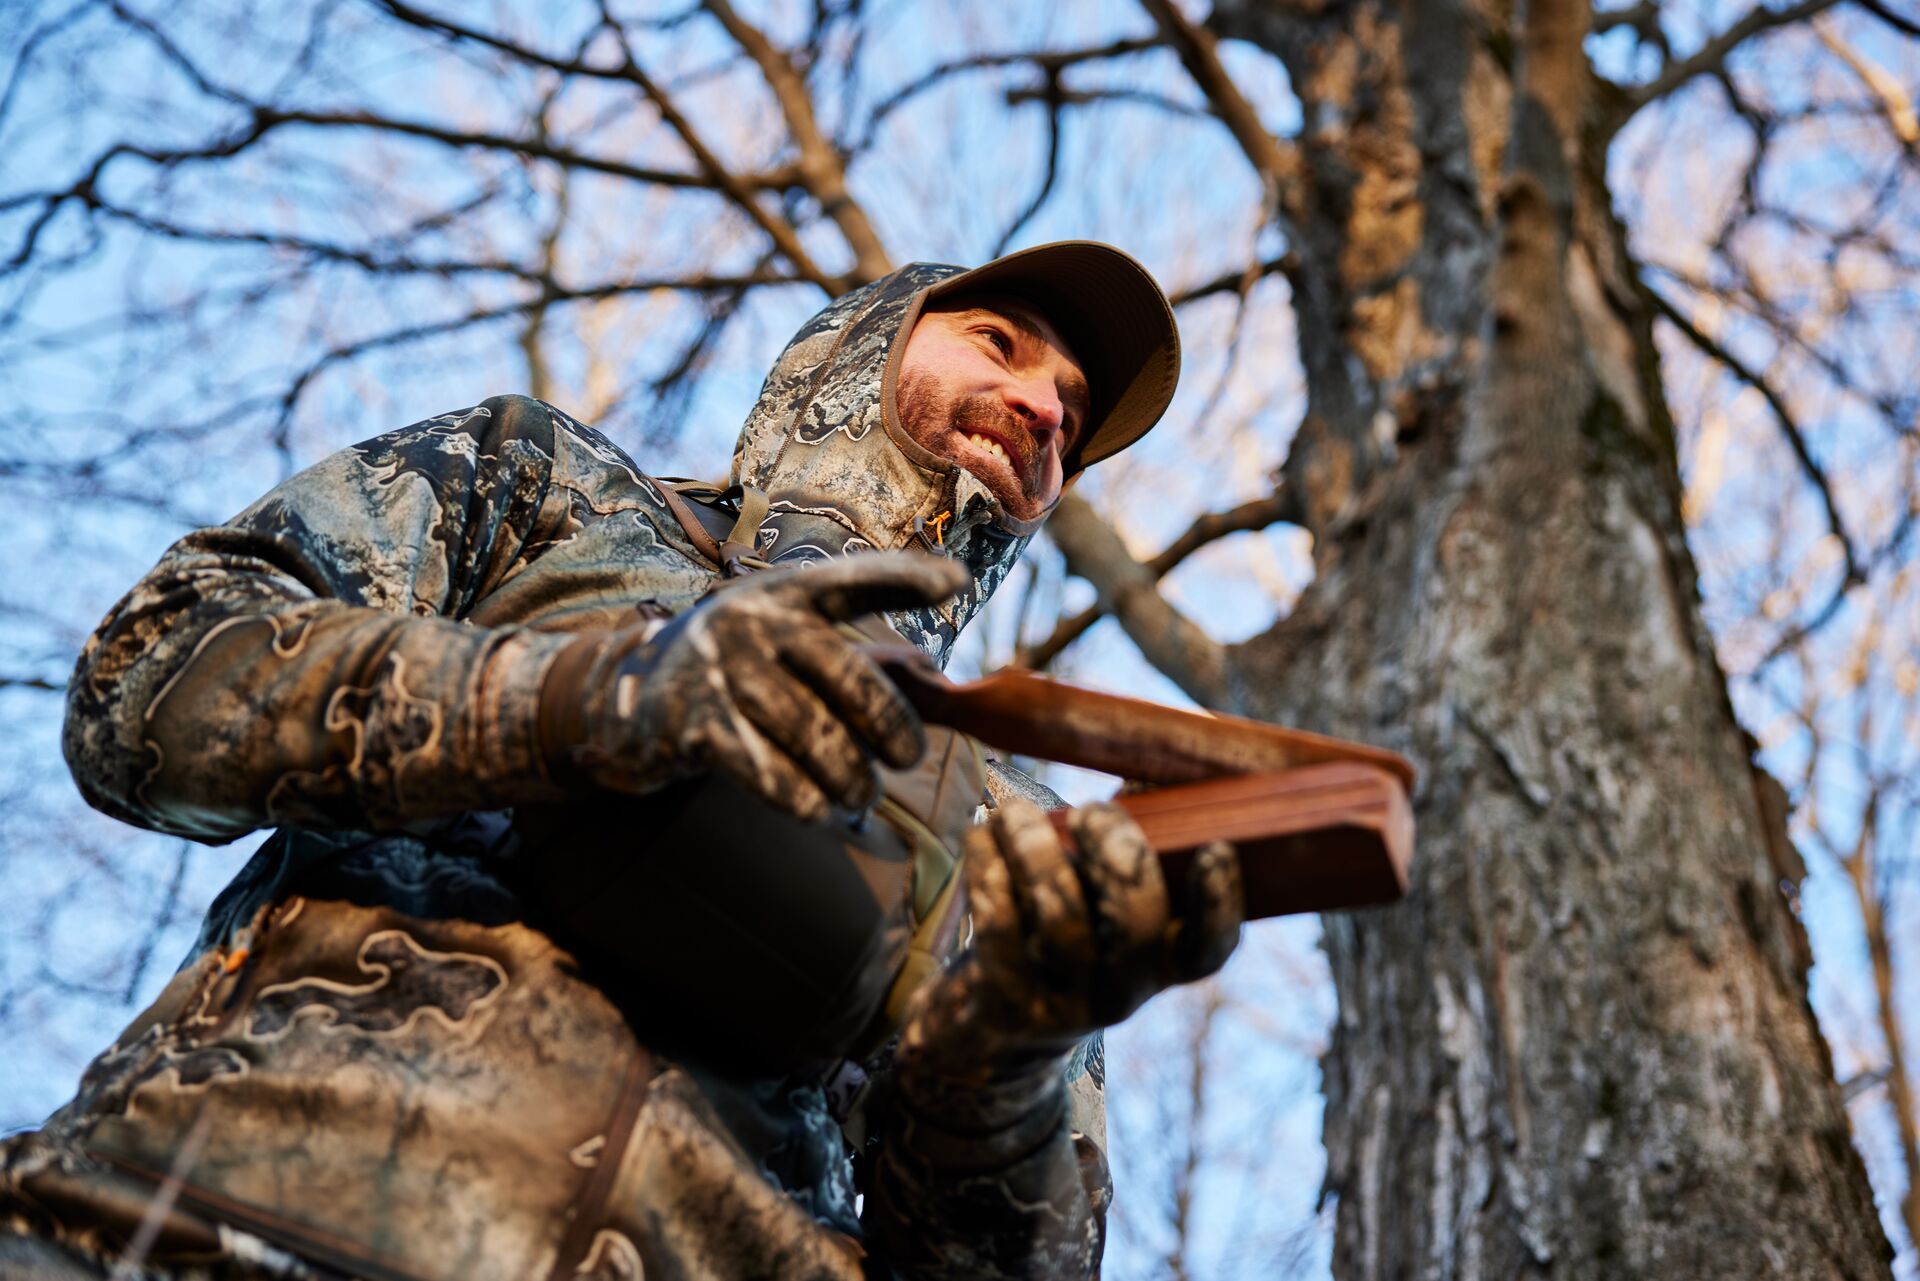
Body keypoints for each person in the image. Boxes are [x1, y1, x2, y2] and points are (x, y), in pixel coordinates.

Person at [2, 242, 1243, 1280]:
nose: (1045, 411)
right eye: (998, 344)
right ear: (858, 350)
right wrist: (592, 700)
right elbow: (150, 678)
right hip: (183, 1221)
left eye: (1072, 416)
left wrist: (1009, 1057)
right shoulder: (547, 483)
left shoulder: (1015, 832)